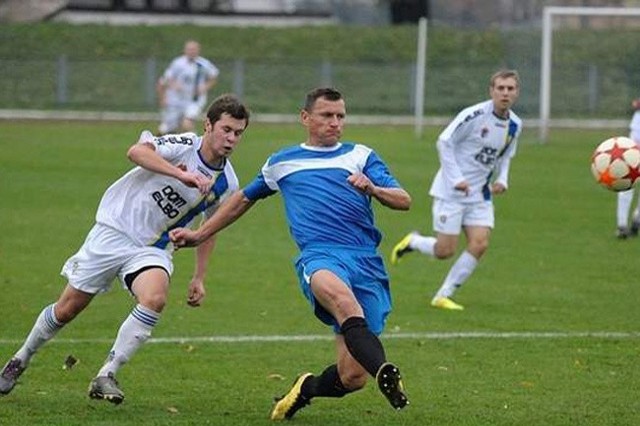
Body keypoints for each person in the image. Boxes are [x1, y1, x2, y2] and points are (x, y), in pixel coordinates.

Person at [169, 87, 411, 420]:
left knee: (353, 377)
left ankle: (306, 388)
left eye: (340, 116)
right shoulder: (282, 162)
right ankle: (385, 370)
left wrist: (373, 188)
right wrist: (199, 234)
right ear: (305, 117)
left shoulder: (361, 155)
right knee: (342, 301)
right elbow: (242, 199)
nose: (335, 123)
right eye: (327, 115)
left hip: (365, 260)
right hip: (320, 256)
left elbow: (403, 199)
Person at [0, 94, 250, 404]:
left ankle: (107, 373)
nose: (231, 138)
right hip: (114, 231)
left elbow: (210, 229)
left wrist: (199, 276)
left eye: (238, 133)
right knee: (67, 308)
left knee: (155, 298)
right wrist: (181, 174)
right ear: (208, 125)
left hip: (152, 248)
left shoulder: (226, 183)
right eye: (226, 129)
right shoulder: (183, 144)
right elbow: (136, 152)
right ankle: (20, 359)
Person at [390, 69, 522, 311]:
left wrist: (503, 179)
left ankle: (443, 295)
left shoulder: (515, 125)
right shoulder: (473, 115)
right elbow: (444, 141)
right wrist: (456, 178)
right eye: (500, 88)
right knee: (444, 251)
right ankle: (414, 241)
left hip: (481, 194)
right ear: (491, 91)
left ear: (516, 92)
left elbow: (506, 156)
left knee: (480, 243)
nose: (505, 93)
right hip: (451, 192)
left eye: (510, 88)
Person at [157, 40, 220, 135]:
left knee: (186, 124)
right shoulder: (178, 63)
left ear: (198, 50)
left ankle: (196, 145)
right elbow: (165, 80)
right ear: (185, 50)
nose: (192, 51)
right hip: (176, 100)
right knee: (165, 129)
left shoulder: (203, 64)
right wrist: (170, 89)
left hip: (194, 100)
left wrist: (205, 87)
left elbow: (214, 76)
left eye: (194, 49)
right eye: (189, 49)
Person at [615, 97, 640, 239]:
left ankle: (635, 220)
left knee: (626, 186)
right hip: (634, 149)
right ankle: (622, 225)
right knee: (626, 184)